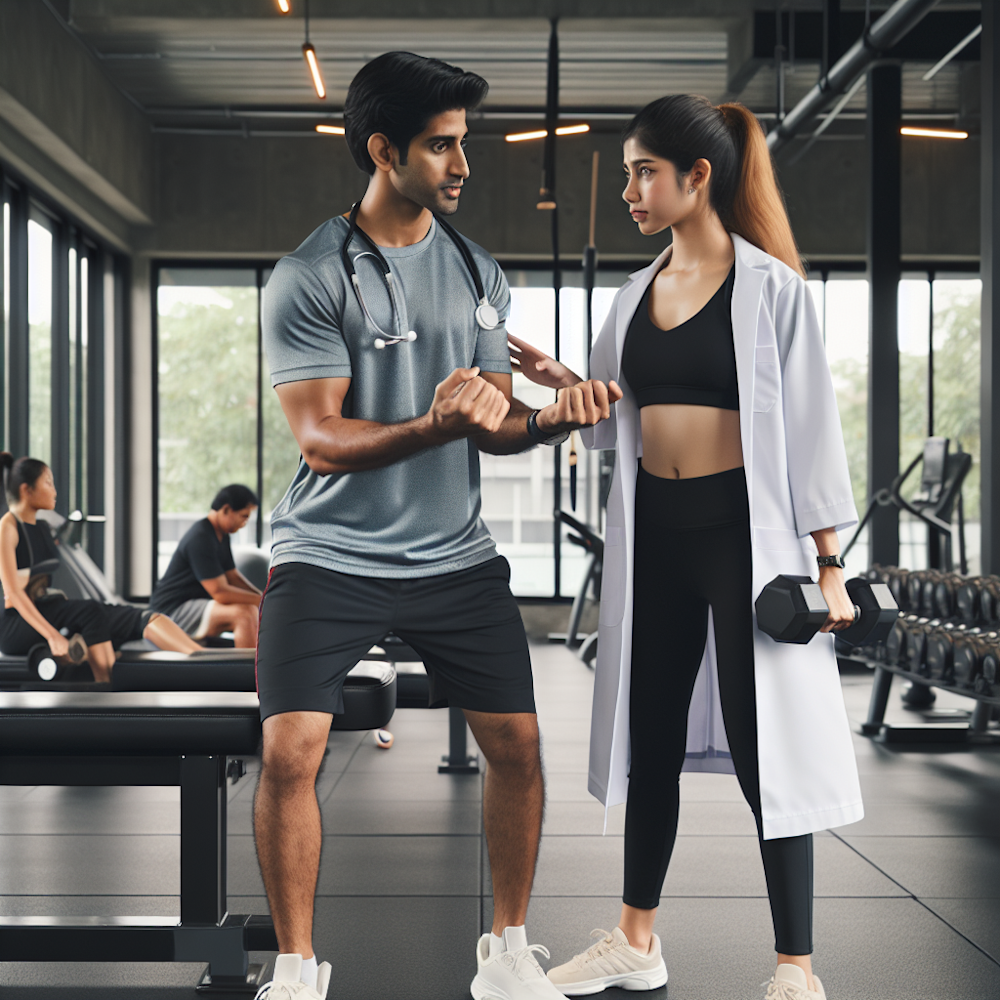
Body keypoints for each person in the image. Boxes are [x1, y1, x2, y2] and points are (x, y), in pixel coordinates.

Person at [254, 51, 621, 1000]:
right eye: (443, 146)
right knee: (290, 749)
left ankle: (504, 953)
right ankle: (296, 967)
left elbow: (492, 422)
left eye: (467, 144)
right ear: (384, 150)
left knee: (519, 746)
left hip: (452, 555)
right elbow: (322, 439)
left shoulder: (475, 271)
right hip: (328, 552)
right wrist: (434, 423)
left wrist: (551, 417)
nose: (464, 164)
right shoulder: (309, 274)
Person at [511, 95, 863, 1000]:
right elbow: (605, 421)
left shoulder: (771, 288)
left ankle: (796, 967)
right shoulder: (635, 292)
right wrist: (567, 386)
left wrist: (829, 564)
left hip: (742, 538)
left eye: (642, 171)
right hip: (656, 535)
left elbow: (817, 433)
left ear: (696, 176)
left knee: (764, 748)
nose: (629, 188)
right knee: (651, 737)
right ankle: (636, 939)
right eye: (630, 171)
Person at [0, 453, 202, 682]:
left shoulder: (42, 526)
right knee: (90, 611)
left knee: (132, 616)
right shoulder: (8, 526)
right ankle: (105, 690)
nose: (55, 491)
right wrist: (54, 636)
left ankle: (202, 658)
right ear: (27, 490)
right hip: (17, 625)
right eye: (48, 483)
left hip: (48, 608)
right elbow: (14, 594)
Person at [149, 484, 262, 648]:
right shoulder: (200, 537)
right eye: (243, 516)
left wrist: (263, 596)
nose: (245, 522)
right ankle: (249, 673)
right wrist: (262, 601)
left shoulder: (222, 535)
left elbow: (233, 577)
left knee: (252, 609)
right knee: (244, 614)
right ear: (226, 510)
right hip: (170, 612)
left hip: (194, 605)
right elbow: (220, 592)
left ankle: (257, 668)